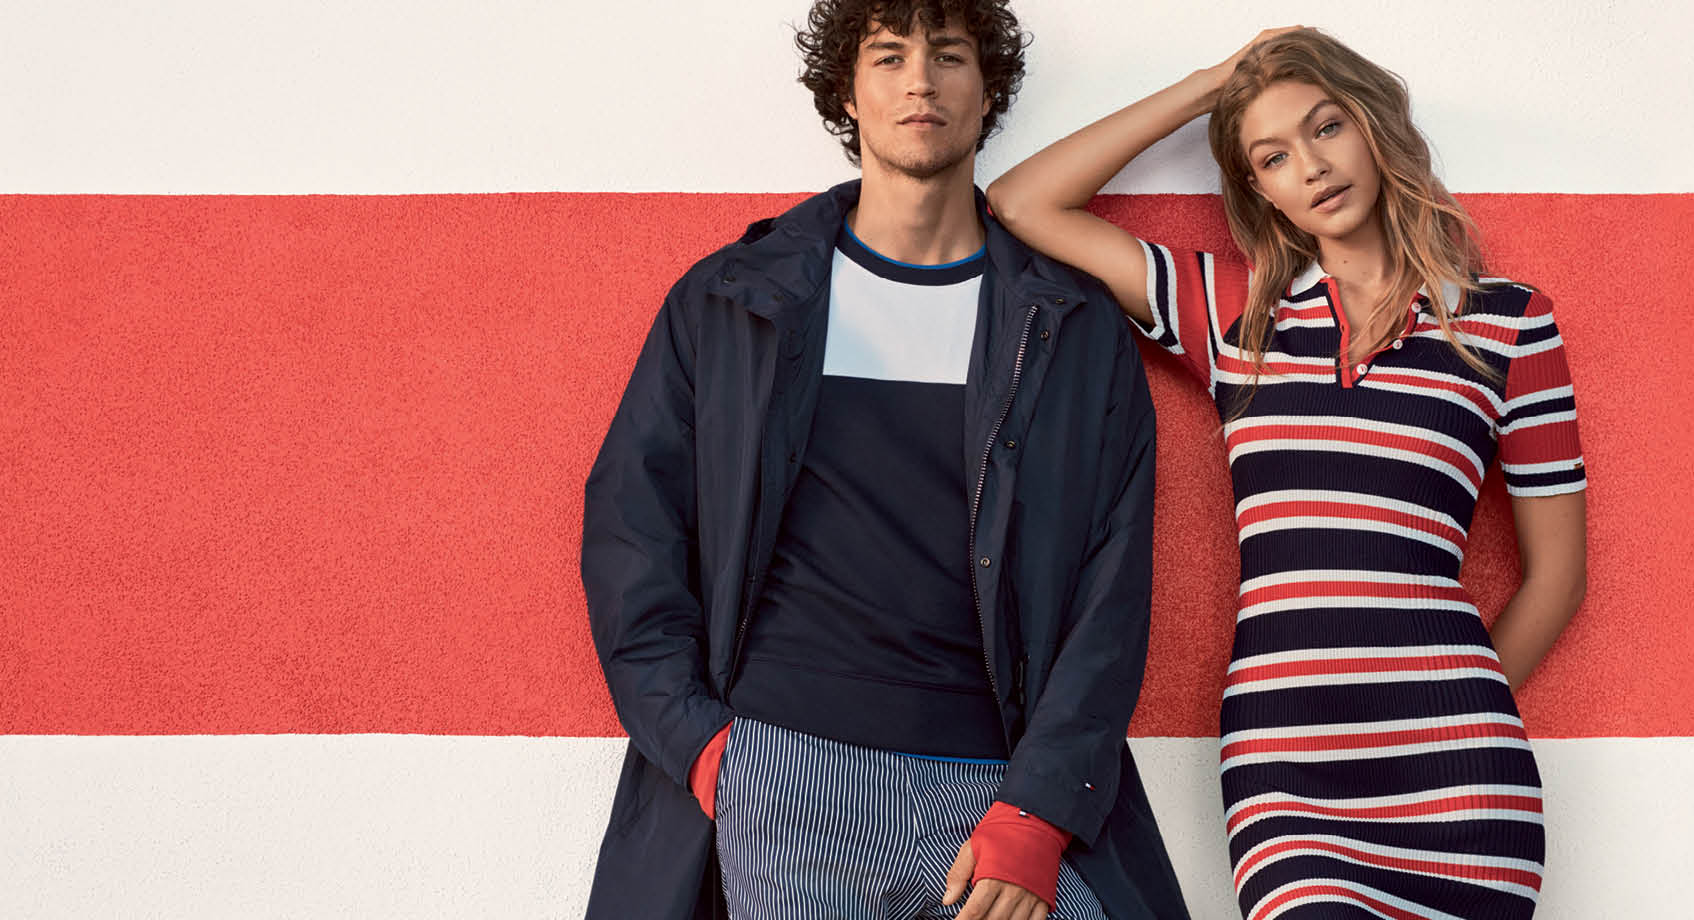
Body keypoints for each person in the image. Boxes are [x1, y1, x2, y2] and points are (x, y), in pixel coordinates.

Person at [580, 2, 1192, 918]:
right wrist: (708, 751)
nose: (920, 81)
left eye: (949, 56)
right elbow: (633, 532)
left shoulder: (1067, 324)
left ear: (988, 95)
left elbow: (1113, 589)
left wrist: (1037, 809)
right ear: (849, 93)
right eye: (889, 56)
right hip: (783, 767)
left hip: (997, 785)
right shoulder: (733, 303)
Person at [987, 26, 1590, 919]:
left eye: (1327, 127)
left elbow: (1558, 576)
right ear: (1258, 190)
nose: (1311, 167)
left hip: (1460, 774)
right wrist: (1208, 87)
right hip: (1288, 772)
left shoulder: (1509, 326)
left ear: (1374, 125)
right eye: (1273, 156)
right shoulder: (1235, 321)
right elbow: (1019, 202)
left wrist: (1452, 706)